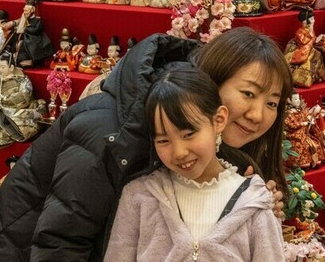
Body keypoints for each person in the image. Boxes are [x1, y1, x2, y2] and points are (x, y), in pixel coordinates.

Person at [0, 28, 291, 261]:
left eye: (272, 103)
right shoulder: (113, 129)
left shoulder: (204, 137)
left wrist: (249, 204)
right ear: (213, 81)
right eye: (248, 94)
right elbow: (61, 239)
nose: (257, 115)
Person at [104, 63, 283, 259]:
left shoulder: (255, 203)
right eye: (163, 140)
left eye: (189, 134)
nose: (179, 152)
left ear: (219, 120)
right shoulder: (139, 197)